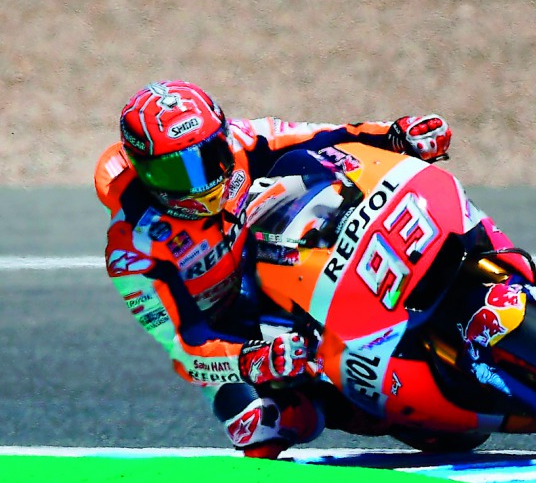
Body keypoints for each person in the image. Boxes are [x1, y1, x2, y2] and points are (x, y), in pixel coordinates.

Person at [95, 80, 455, 458]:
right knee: (255, 427)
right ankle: (357, 403)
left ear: (222, 133)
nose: (202, 181)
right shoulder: (132, 248)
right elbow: (186, 345)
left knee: (321, 177)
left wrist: (395, 136)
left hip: (280, 261)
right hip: (232, 334)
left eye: (209, 156)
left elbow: (324, 136)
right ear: (143, 172)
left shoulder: (242, 140)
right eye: (176, 173)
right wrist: (249, 358)